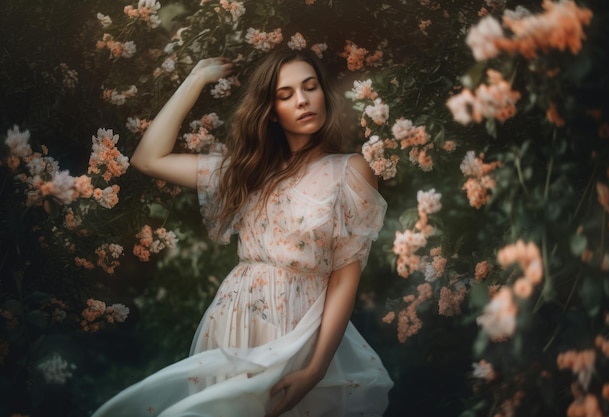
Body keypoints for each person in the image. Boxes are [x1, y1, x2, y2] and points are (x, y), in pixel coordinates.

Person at [92, 48, 393, 417]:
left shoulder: (350, 171)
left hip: (302, 329)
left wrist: (314, 370)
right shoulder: (247, 172)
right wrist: (196, 78)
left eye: (309, 87)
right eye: (286, 95)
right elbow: (148, 158)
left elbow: (346, 275)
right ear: (270, 112)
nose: (302, 100)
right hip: (234, 322)